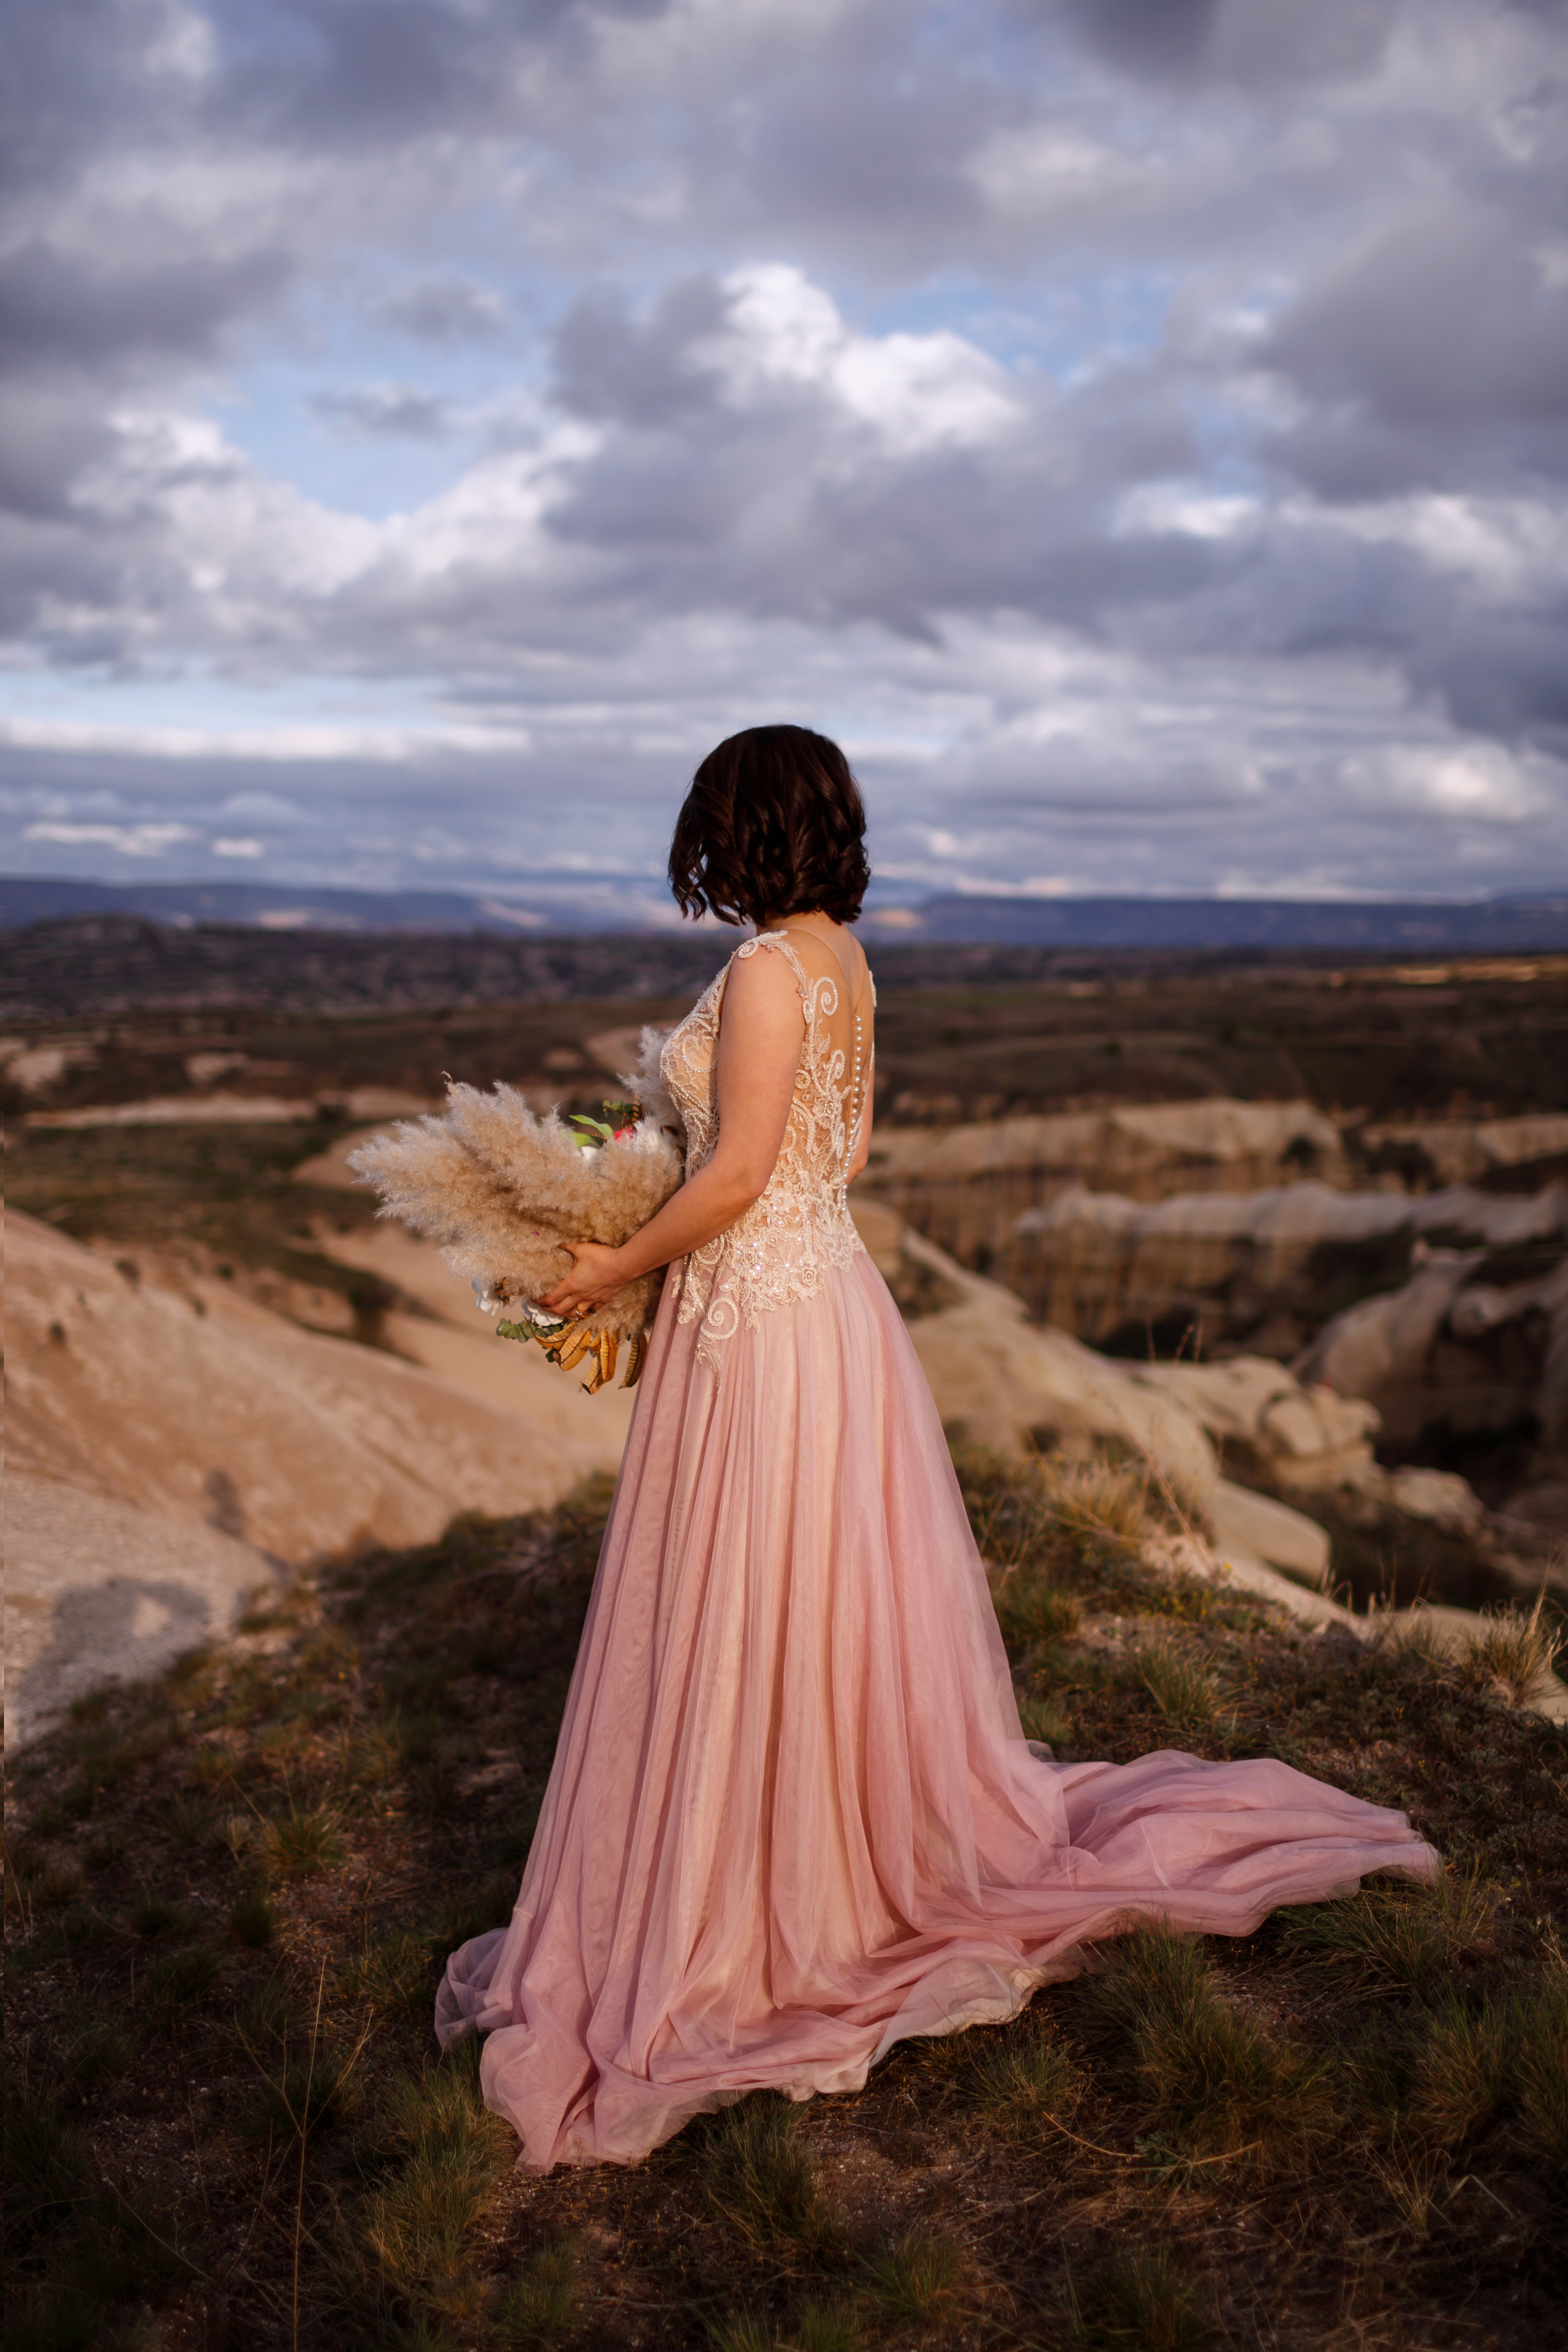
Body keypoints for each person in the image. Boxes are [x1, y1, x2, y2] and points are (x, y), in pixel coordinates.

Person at [435, 722, 1439, 2171]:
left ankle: (755, 1895)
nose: (699, 853)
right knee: (797, 1595)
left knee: (741, 1591)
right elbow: (829, 1162)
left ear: (744, 829)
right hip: (818, 1297)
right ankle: (803, 1838)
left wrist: (607, 1264)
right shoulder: (842, 957)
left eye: (712, 825)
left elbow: (736, 1175)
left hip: (760, 1322)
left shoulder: (767, 972)